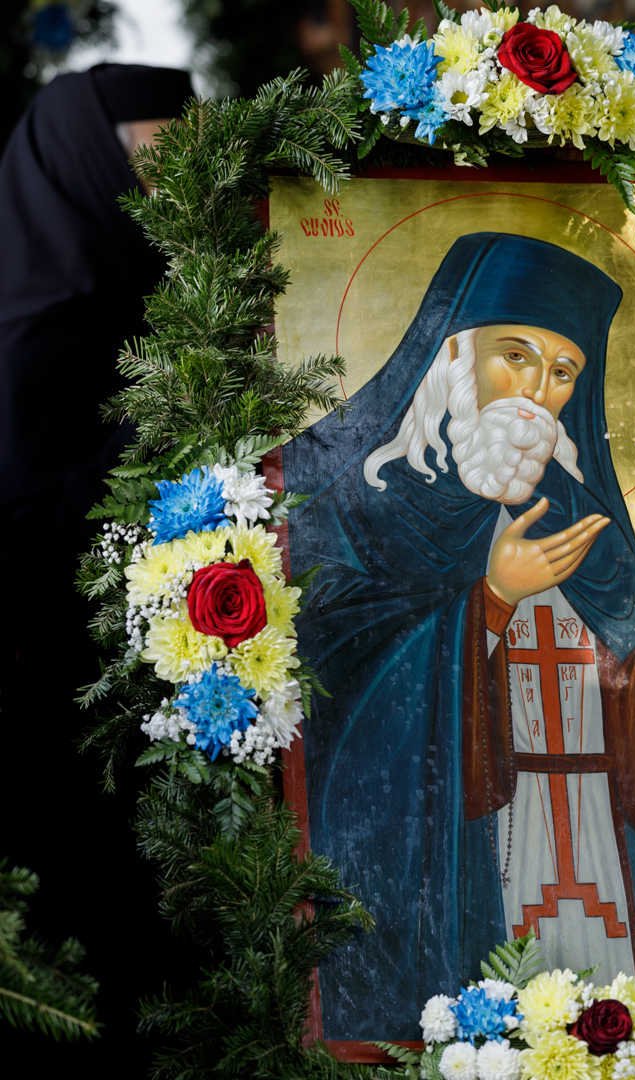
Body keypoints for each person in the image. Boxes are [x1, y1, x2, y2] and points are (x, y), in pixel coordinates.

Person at [284, 233, 635, 1040]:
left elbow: (627, 708)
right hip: (472, 846)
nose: (536, 390)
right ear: (453, 352)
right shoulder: (357, 505)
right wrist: (491, 600)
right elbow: (331, 692)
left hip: (594, 840)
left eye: (562, 370)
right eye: (516, 355)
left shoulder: (588, 523)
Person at [0, 64, 195, 1068]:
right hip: (55, 686)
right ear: (89, 159)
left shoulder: (148, 278)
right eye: (150, 160)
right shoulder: (24, 317)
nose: (166, 186)